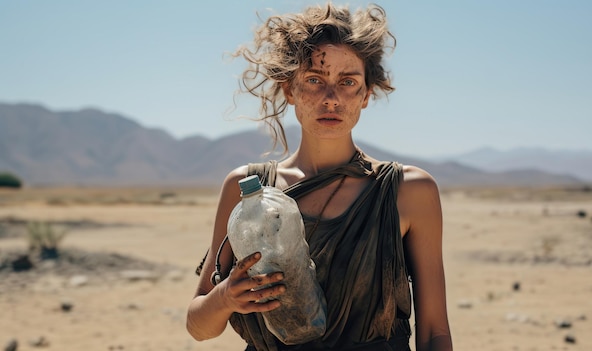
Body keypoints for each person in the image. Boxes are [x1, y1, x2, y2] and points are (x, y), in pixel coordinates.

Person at [186, 3, 453, 350]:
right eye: (314, 80)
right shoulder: (247, 191)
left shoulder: (407, 191)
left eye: (348, 82)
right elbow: (198, 326)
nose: (331, 98)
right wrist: (226, 298)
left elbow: (435, 331)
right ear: (290, 90)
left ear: (366, 94)